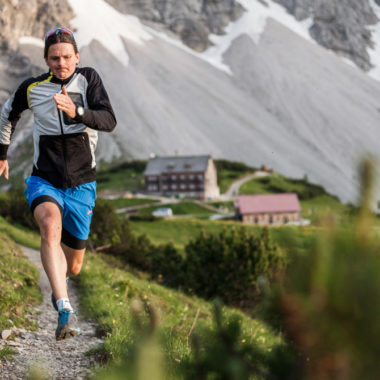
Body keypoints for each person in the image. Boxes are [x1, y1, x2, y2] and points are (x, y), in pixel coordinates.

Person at [0, 27, 117, 340]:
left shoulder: (88, 79)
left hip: (82, 184)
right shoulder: (33, 88)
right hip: (45, 179)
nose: (61, 63)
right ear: (47, 60)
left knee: (74, 267)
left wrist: (77, 111)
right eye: (55, 58)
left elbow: (109, 120)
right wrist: (2, 154)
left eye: (67, 57)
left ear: (76, 57)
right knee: (50, 225)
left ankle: (60, 287)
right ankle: (65, 309)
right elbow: (7, 114)